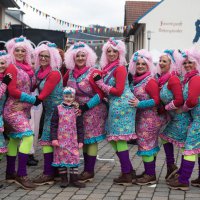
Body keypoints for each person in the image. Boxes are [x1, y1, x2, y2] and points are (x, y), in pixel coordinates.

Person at [93, 37, 136, 186]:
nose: (111, 53)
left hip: (122, 105)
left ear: (120, 52)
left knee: (118, 138)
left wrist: (99, 83)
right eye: (108, 51)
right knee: (113, 139)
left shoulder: (120, 68)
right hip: (116, 105)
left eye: (114, 51)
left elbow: (118, 91)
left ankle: (126, 174)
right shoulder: (109, 68)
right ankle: (129, 170)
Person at [64, 42, 107, 183]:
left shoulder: (94, 72)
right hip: (76, 110)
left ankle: (89, 170)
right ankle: (86, 168)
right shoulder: (69, 73)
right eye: (78, 56)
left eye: (83, 55)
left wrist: (86, 107)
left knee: (91, 138)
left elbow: (100, 93)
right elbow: (64, 88)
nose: (80, 58)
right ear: (72, 58)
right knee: (82, 139)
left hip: (93, 110)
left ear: (88, 57)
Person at [4, 36, 37, 190]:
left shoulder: (28, 68)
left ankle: (10, 173)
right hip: (13, 108)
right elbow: (12, 90)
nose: (19, 53)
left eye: (22, 51)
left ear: (27, 52)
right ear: (12, 51)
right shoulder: (12, 67)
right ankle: (21, 174)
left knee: (14, 140)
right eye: (17, 50)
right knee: (28, 137)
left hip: (23, 107)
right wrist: (31, 99)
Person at [128, 49, 164, 185]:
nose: (140, 66)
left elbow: (156, 100)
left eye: (143, 64)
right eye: (138, 64)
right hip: (141, 118)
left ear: (149, 65)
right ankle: (150, 172)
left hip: (149, 120)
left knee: (146, 146)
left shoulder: (150, 81)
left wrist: (139, 103)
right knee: (149, 146)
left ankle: (150, 175)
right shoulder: (137, 80)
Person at [30, 43, 63, 186]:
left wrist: (24, 102)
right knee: (50, 140)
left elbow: (42, 95)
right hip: (49, 111)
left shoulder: (54, 73)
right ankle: (54, 172)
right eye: (41, 55)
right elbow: (32, 87)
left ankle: (48, 173)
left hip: (57, 112)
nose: (43, 58)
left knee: (47, 140)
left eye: (47, 56)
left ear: (53, 58)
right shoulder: (39, 71)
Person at [169, 47, 200, 191]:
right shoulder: (191, 78)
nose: (187, 65)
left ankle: (183, 181)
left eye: (190, 63)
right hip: (197, 118)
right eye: (185, 63)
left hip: (198, 120)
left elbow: (192, 101)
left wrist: (184, 108)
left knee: (190, 149)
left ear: (196, 63)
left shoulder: (195, 79)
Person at [158, 49, 191, 182]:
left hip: (182, 118)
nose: (160, 63)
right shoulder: (164, 79)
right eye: (160, 60)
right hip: (175, 118)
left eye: (164, 61)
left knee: (184, 146)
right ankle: (171, 166)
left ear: (171, 63)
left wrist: (166, 108)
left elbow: (179, 101)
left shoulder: (173, 79)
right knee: (165, 137)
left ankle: (181, 173)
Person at [51, 87, 85, 188]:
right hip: (61, 140)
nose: (68, 99)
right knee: (62, 159)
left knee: (74, 158)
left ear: (74, 97)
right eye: (66, 96)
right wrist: (54, 138)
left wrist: (81, 140)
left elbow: (80, 126)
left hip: (73, 140)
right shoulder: (58, 109)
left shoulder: (76, 110)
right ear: (63, 96)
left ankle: (74, 179)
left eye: (71, 97)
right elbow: (53, 124)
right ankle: (64, 179)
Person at [0, 51, 12, 157]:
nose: (0, 65)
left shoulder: (7, 78)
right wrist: (4, 83)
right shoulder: (5, 81)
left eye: (2, 63)